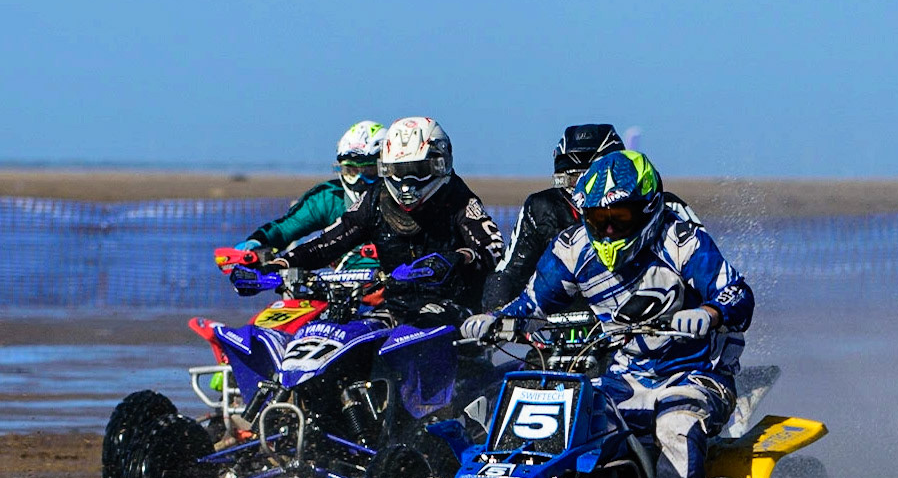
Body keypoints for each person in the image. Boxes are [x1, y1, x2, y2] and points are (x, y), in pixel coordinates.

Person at [461, 150, 753, 478]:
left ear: (648, 208)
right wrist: (494, 319)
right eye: (599, 219)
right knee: (572, 422)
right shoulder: (573, 248)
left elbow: (737, 293)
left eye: (621, 216)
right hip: (623, 377)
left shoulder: (681, 241)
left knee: (676, 426)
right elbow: (532, 302)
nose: (609, 228)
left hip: (696, 375)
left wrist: (709, 313)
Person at [277, 116, 505, 314]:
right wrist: (283, 263)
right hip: (393, 306)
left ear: (439, 165)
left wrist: (459, 258)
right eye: (399, 171)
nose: (407, 184)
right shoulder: (376, 198)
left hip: (454, 309)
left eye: (417, 171)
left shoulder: (459, 199)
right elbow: (329, 242)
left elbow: (494, 250)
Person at [480, 123, 624, 309]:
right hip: (556, 323)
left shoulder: (644, 204)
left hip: (626, 318)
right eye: (572, 178)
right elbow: (510, 271)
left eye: (590, 177)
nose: (581, 187)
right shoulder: (540, 207)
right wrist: (494, 315)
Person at [225, 120, 386, 264]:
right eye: (350, 170)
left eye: (369, 170)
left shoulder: (401, 200)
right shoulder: (328, 198)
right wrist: (256, 243)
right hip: (343, 289)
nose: (359, 179)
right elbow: (286, 228)